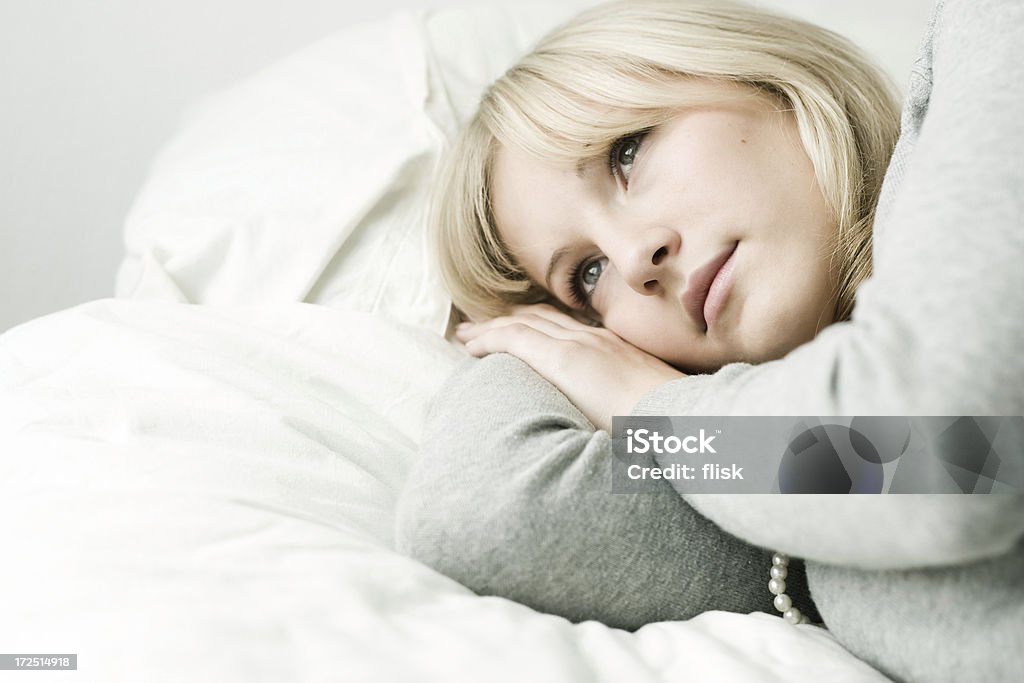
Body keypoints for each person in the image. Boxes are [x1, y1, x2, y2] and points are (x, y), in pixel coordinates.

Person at [395, 1, 1024, 681]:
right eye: (587, 275)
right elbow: (487, 517)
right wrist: (533, 340)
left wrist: (650, 401)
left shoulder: (989, 38)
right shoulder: (775, 479)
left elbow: (953, 455)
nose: (635, 257)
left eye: (627, 152)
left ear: (755, 76)